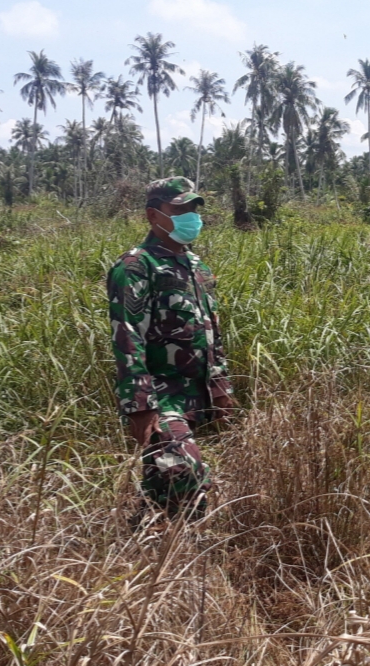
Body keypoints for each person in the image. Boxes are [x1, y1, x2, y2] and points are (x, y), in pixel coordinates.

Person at [107, 176, 237, 521]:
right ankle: (175, 549)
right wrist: (139, 406)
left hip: (197, 393)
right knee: (183, 469)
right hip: (161, 396)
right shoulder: (136, 267)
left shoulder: (196, 267)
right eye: (180, 209)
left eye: (194, 209)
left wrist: (221, 388)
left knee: (165, 476)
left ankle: (146, 533)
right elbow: (127, 335)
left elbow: (212, 331)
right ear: (153, 216)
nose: (191, 217)